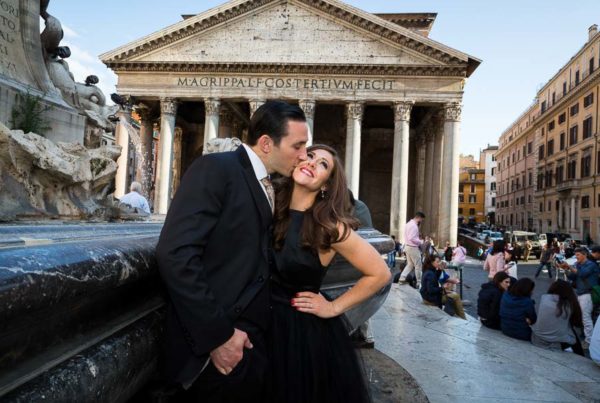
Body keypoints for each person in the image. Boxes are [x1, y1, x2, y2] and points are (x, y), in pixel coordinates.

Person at [155, 101, 309, 401]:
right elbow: (175, 253)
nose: (304, 155)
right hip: (217, 352)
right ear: (266, 143)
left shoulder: (267, 183)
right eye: (298, 145)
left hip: (247, 348)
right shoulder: (215, 168)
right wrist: (218, 336)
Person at [272, 144, 391, 403]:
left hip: (297, 334)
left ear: (326, 184)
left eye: (323, 165)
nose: (313, 163)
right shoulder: (269, 207)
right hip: (255, 321)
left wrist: (333, 307)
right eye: (311, 156)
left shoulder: (328, 227)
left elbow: (380, 274)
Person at [349, 190, 376, 349]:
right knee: (360, 296)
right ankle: (364, 335)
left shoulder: (358, 209)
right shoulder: (361, 207)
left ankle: (365, 336)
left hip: (359, 260)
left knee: (359, 296)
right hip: (361, 258)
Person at [558, 247, 599, 349]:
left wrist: (569, 266)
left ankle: (589, 341)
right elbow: (573, 276)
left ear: (584, 255)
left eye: (578, 255)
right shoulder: (578, 264)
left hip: (588, 294)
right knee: (583, 317)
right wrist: (565, 269)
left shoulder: (591, 265)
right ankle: (588, 338)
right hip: (580, 293)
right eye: (575, 255)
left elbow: (582, 274)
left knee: (586, 318)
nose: (576, 257)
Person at [531, 280, 584, 355]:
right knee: (573, 335)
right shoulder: (569, 305)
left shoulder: (544, 298)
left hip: (537, 337)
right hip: (558, 341)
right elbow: (578, 323)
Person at [420, 255, 466, 319]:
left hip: (427, 296)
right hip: (430, 299)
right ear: (431, 262)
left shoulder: (429, 270)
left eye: (439, 261)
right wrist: (443, 287)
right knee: (456, 296)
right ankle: (463, 318)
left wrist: (439, 270)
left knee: (453, 295)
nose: (439, 263)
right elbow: (431, 290)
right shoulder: (430, 273)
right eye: (437, 262)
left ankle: (459, 316)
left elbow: (434, 279)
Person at [398, 212, 426, 286]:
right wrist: (421, 241)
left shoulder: (408, 224)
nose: (421, 221)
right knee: (418, 265)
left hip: (407, 246)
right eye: (421, 219)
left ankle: (402, 278)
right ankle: (419, 283)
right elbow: (412, 238)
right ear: (419, 217)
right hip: (413, 247)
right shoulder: (414, 226)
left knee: (410, 264)